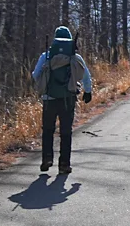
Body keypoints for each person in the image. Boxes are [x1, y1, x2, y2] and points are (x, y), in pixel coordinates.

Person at [31, 25, 93, 175]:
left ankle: (47, 159)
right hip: (68, 99)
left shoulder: (46, 56)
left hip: (49, 98)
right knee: (66, 132)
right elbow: (86, 76)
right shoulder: (75, 57)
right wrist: (88, 91)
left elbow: (35, 75)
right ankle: (64, 164)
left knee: (48, 130)